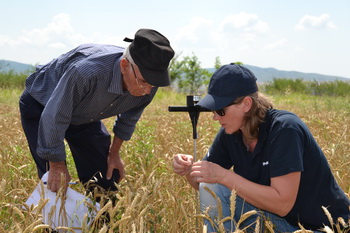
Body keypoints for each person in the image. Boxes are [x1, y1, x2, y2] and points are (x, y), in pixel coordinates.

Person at [172, 64, 350, 232]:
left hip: (320, 228)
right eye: (213, 111)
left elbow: (282, 205)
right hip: (274, 223)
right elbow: (204, 185)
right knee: (214, 187)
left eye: (220, 110)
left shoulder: (285, 128)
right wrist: (190, 170)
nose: (215, 118)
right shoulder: (230, 133)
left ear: (246, 104)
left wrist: (223, 175)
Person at [20, 28, 174, 195]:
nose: (147, 91)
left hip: (84, 112)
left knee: (105, 175)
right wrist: (57, 164)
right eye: (143, 82)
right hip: (43, 104)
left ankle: (102, 221)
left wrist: (114, 154)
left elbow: (128, 120)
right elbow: (55, 115)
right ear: (124, 66)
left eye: (152, 84)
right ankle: (57, 220)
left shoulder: (149, 82)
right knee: (54, 180)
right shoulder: (87, 72)